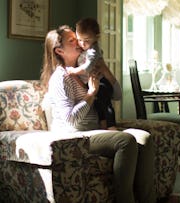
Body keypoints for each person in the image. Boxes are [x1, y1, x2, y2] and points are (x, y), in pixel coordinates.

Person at [40, 25, 155, 203]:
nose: (79, 42)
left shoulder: (84, 70)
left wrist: (106, 72)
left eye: (77, 38)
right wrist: (91, 94)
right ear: (59, 50)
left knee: (144, 138)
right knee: (126, 141)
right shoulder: (61, 78)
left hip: (96, 131)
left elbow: (116, 95)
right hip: (76, 136)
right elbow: (71, 121)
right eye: (72, 41)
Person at [65, 17, 116, 130]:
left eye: (86, 40)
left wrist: (73, 71)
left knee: (105, 103)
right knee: (98, 105)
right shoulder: (85, 49)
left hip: (102, 82)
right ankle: (103, 125)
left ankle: (111, 125)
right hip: (94, 82)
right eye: (79, 39)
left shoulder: (93, 51)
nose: (82, 44)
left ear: (96, 37)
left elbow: (87, 68)